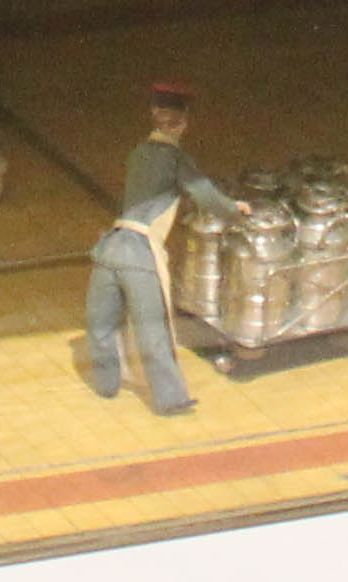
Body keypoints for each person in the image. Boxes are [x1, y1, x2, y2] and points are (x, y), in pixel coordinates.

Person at [84, 83, 243, 414]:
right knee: (153, 328)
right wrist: (234, 210)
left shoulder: (138, 152)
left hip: (110, 246)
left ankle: (106, 385)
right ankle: (171, 399)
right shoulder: (176, 159)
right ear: (183, 123)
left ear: (154, 117)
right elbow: (206, 196)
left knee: (101, 323)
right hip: (140, 253)